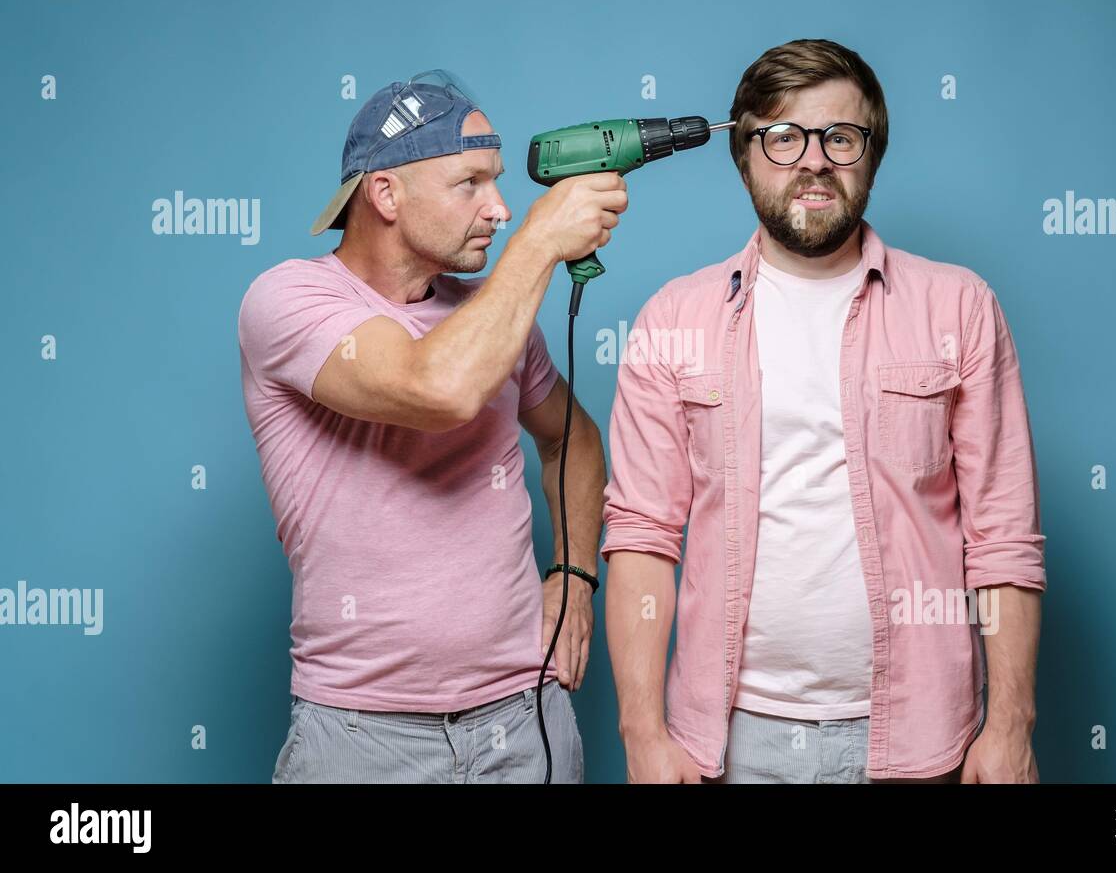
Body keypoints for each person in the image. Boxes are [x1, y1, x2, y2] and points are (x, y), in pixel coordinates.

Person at [602, 40, 1046, 784]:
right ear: (743, 156)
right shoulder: (672, 319)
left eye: (840, 137)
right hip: (728, 744)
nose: (813, 160)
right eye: (783, 137)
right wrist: (642, 734)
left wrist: (1010, 725)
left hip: (920, 740)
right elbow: (643, 536)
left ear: (872, 155)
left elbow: (1001, 534)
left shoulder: (959, 306)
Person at [238, 70, 626, 782]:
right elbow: (436, 387)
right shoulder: (288, 301)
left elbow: (576, 440)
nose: (502, 209)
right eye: (469, 183)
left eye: (499, 182)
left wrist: (573, 576)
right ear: (385, 192)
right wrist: (540, 243)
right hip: (360, 735)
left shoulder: (496, 319)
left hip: (524, 718)